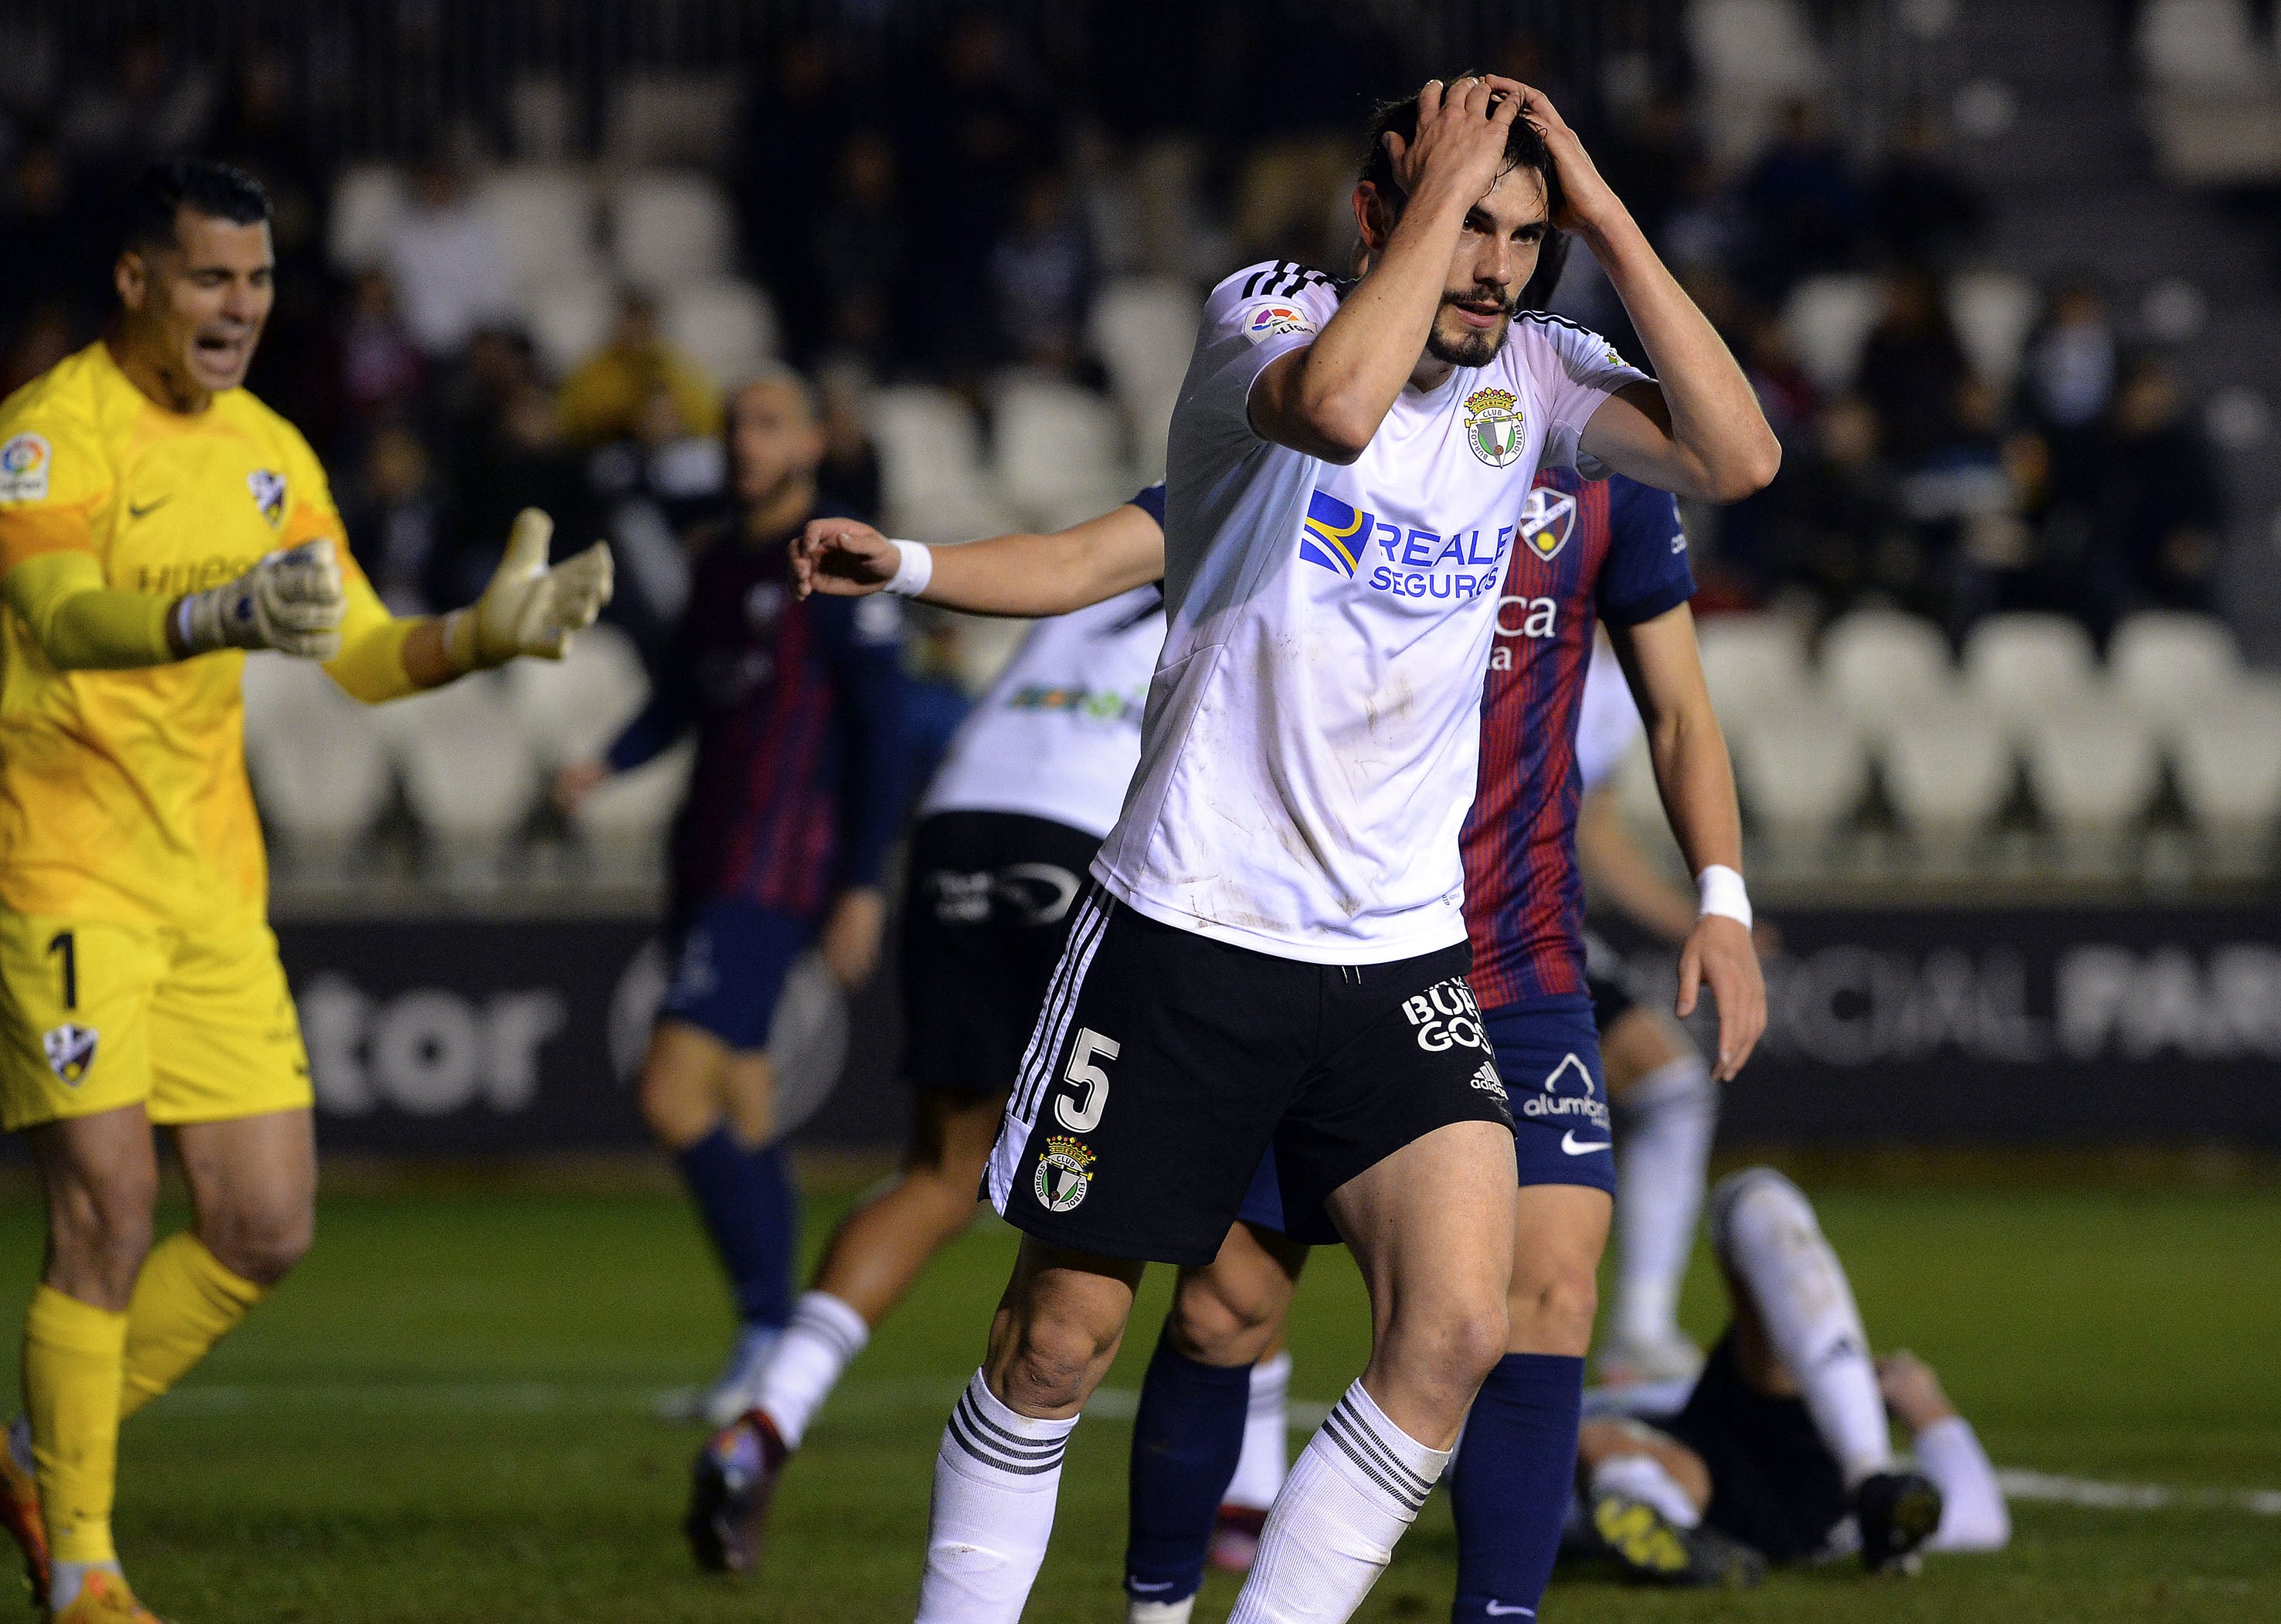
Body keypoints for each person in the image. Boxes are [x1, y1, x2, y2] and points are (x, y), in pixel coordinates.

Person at [796, 73, 1778, 1624]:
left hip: (1399, 954)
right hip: (1186, 924)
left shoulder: (1545, 370)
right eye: (1466, 224)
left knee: (1453, 1332)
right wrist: (916, 562)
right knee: (1062, 1336)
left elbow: (1740, 462)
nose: (1494, 267)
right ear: (1377, 219)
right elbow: (1330, 409)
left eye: (1521, 237)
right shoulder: (1264, 314)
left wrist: (1602, 213)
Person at [0, 158, 611, 1624]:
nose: (240, 308)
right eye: (212, 278)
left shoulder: (272, 449)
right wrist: (215, 610)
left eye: (260, 281)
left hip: (213, 884)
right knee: (108, 1211)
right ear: (140, 281)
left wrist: (481, 633)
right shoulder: (46, 432)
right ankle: (82, 1562)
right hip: (66, 865)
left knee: (266, 1227)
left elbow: (355, 648)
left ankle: (34, 1452)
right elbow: (61, 613)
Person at [684, 493, 1168, 1571]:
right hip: (1092, 842)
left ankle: (767, 1415)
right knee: (1185, 1175)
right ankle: (1236, 1500)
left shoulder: (1107, 555)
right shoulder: (1283, 544)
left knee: (940, 1171)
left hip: (961, 829)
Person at [555, 369, 908, 1437]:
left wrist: (860, 882)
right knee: (745, 1100)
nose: (744, 443)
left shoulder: (836, 560)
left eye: (765, 424)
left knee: (671, 1089)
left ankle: (767, 1331)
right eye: (734, 426)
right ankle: (778, 1346)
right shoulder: (721, 561)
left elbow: (882, 735)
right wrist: (606, 760)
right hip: (705, 856)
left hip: (775, 867)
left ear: (810, 440)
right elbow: (679, 697)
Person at [1573, 1168, 2003, 1582]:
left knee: (1598, 1442)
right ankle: (1868, 1475)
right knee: (1757, 1199)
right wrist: (1925, 1405)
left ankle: (1644, 1499)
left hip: (1714, 1462)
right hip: (1804, 1513)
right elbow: (1982, 1523)